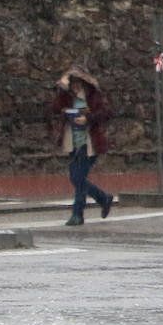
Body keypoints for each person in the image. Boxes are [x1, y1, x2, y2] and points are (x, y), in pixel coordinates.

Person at [50, 66, 115, 226]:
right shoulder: (67, 96)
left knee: (78, 178)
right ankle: (103, 198)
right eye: (72, 84)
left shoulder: (93, 96)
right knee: (77, 178)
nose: (75, 87)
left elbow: (106, 113)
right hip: (73, 143)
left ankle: (77, 214)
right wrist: (62, 89)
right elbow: (54, 109)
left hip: (90, 143)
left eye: (78, 83)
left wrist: (88, 119)